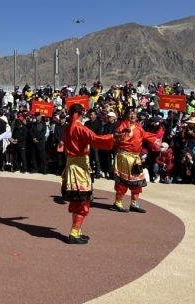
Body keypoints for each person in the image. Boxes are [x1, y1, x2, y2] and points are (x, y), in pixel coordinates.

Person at [60, 104, 116, 243]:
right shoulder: (81, 128)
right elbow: (96, 139)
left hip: (71, 166)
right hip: (80, 168)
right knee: (83, 201)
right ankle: (74, 233)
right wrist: (114, 137)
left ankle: (77, 230)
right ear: (82, 113)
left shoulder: (68, 128)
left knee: (76, 200)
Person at [112, 105, 161, 212]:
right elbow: (116, 136)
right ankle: (118, 202)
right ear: (126, 114)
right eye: (130, 113)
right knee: (123, 180)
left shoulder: (138, 126)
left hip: (135, 157)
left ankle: (134, 203)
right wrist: (123, 132)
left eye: (134, 113)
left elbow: (145, 135)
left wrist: (156, 139)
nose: (133, 115)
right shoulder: (122, 125)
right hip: (125, 156)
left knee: (137, 181)